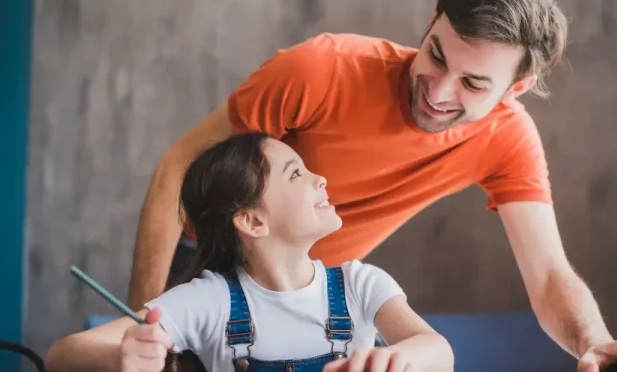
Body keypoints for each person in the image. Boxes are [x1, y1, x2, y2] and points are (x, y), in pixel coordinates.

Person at [127, 0, 617, 372]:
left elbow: (548, 275)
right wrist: (144, 324)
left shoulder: (507, 139)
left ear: (516, 89)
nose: (438, 92)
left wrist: (594, 343)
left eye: (472, 83)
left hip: (324, 292)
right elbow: (178, 169)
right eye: (437, 55)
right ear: (431, 20)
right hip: (211, 258)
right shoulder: (320, 70)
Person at [45, 132, 453, 372]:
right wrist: (125, 355)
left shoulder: (360, 284)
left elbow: (438, 351)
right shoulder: (210, 301)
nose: (321, 179)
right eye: (296, 173)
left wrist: (395, 360)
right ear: (253, 222)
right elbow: (61, 355)